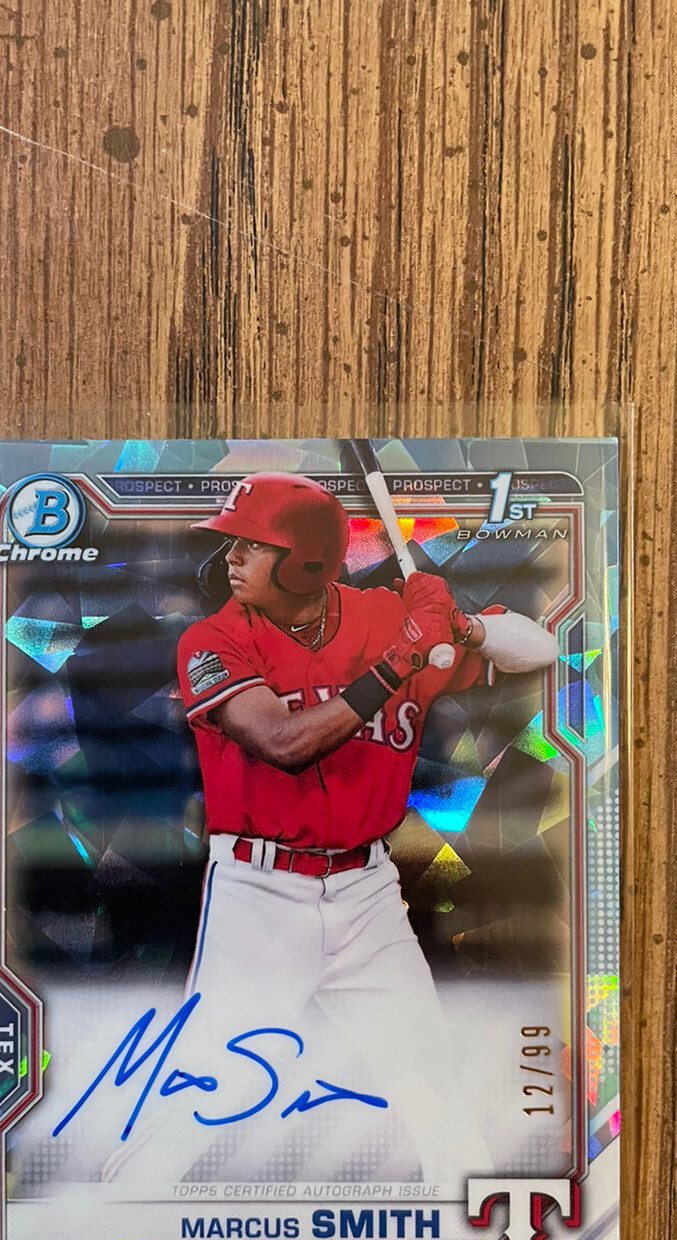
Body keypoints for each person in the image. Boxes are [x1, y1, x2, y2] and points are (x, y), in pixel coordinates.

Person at [103, 472, 558, 1190]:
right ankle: (112, 1221)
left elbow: (542, 652)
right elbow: (283, 743)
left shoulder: (383, 617)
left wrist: (462, 627)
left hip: (367, 891)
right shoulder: (213, 639)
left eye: (252, 545)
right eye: (231, 544)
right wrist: (402, 660)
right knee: (210, 1091)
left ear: (307, 561)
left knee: (434, 1092)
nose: (231, 558)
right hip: (260, 894)